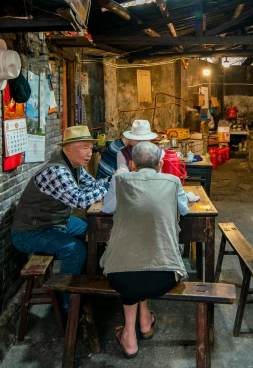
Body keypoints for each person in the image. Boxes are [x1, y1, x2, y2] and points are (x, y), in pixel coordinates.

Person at [99, 142, 189, 359]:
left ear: (131, 164)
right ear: (160, 165)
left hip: (120, 277)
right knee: (147, 257)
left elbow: (106, 208)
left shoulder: (119, 180)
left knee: (131, 261)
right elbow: (184, 210)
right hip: (164, 276)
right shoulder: (173, 181)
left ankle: (130, 336)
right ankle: (145, 323)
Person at [11, 125, 108, 310]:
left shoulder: (75, 166)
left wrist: (113, 180)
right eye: (85, 147)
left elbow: (92, 185)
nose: (90, 153)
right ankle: (67, 305)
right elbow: (80, 201)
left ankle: (87, 284)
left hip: (56, 221)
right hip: (31, 231)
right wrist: (107, 188)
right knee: (76, 250)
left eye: (90, 147)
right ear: (68, 148)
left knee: (93, 231)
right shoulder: (57, 171)